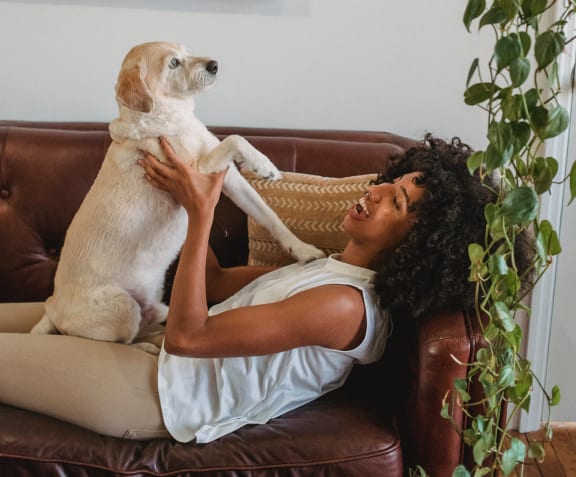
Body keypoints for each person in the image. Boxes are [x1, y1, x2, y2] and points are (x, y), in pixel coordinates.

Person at [0, 135, 531, 442]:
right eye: (393, 184)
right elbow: (209, 284)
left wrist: (201, 211)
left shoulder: (343, 305)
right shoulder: (325, 269)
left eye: (399, 205)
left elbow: (190, 337)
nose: (377, 194)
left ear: (423, 249)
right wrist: (174, 198)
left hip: (156, 393)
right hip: (152, 345)